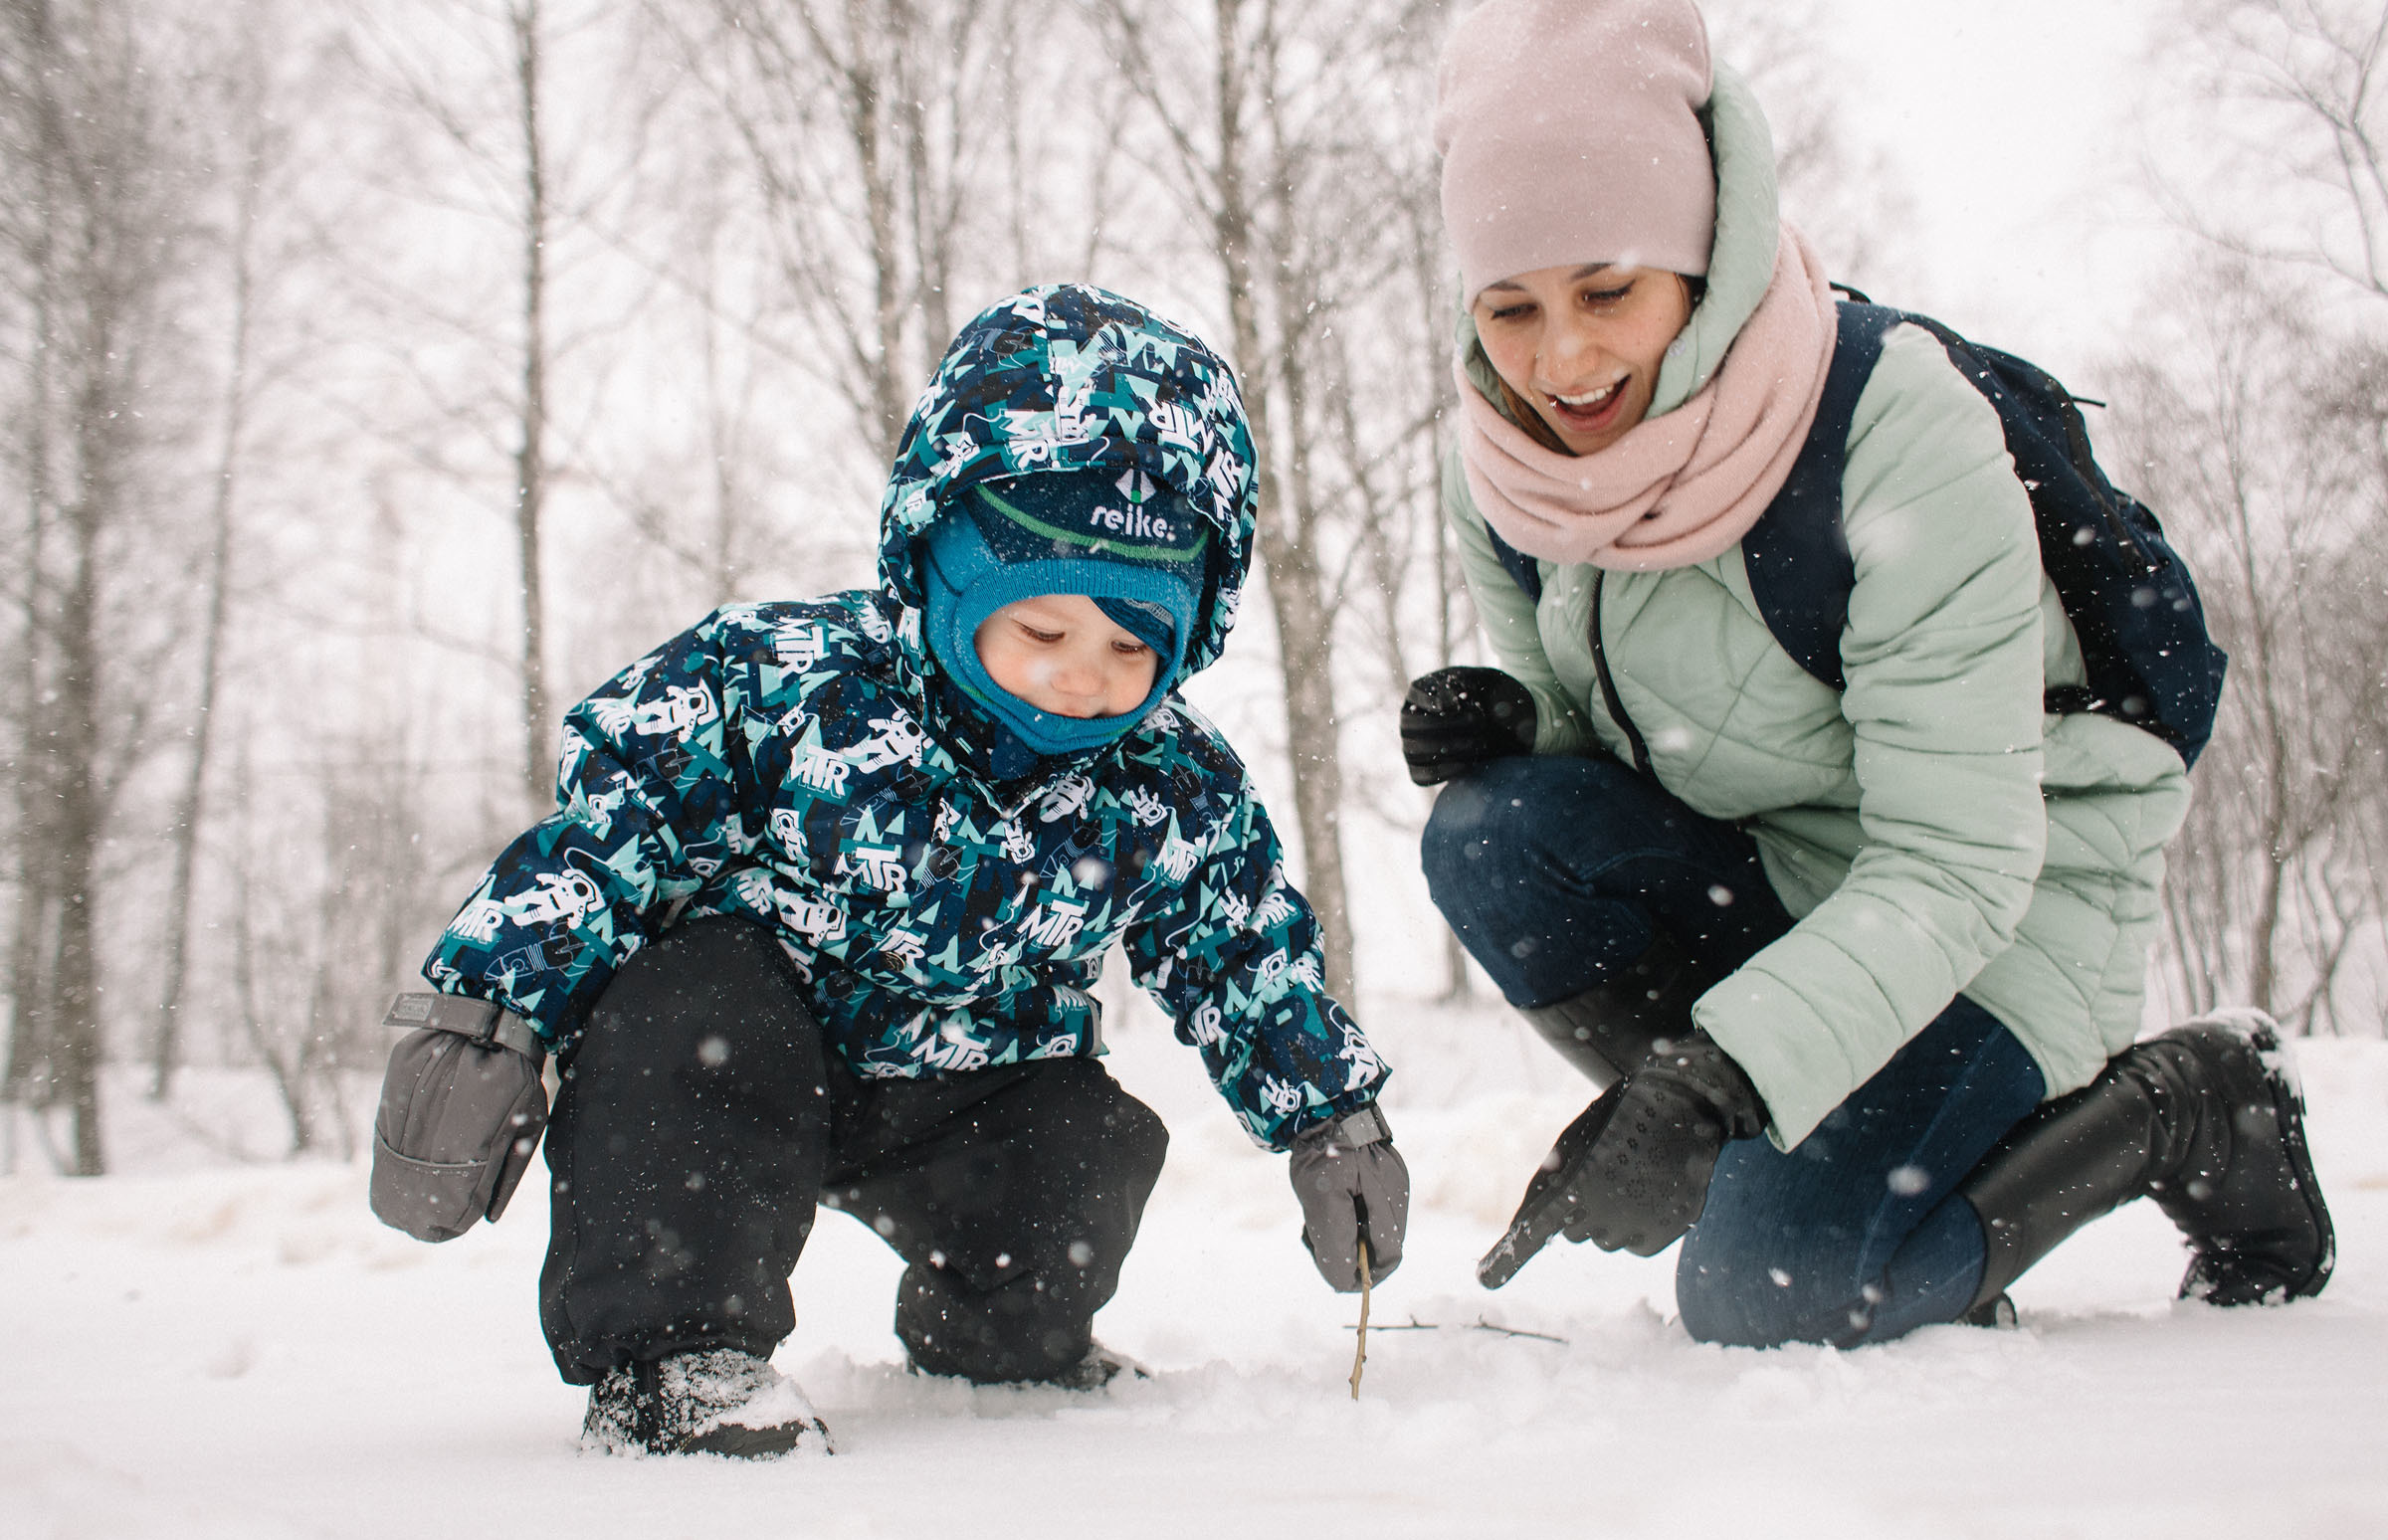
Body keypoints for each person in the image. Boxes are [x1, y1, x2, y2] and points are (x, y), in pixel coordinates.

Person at [1405, 0, 2332, 1347]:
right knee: (1494, 833)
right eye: (1512, 306)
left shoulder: (1891, 432)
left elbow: (1958, 862)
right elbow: (1622, 724)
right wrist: (1520, 720)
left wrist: (1721, 1078)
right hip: (1784, 868)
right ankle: (1791, 1144)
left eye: (1608, 291)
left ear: (1703, 251)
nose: (1561, 360)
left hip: (2009, 890)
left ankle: (2183, 1107)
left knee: (1774, 1296)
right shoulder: (1501, 468)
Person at [406, 285, 1409, 1455]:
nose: (1082, 679)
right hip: (750, 1057)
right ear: (941, 565)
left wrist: (1331, 1118)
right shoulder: (778, 683)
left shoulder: (1169, 781)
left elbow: (1244, 953)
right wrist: (487, 1012)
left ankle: (998, 1335)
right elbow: (606, 836)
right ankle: (675, 1357)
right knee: (687, 1009)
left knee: (1087, 1144)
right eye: (1041, 631)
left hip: (968, 1083)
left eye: (1133, 646)